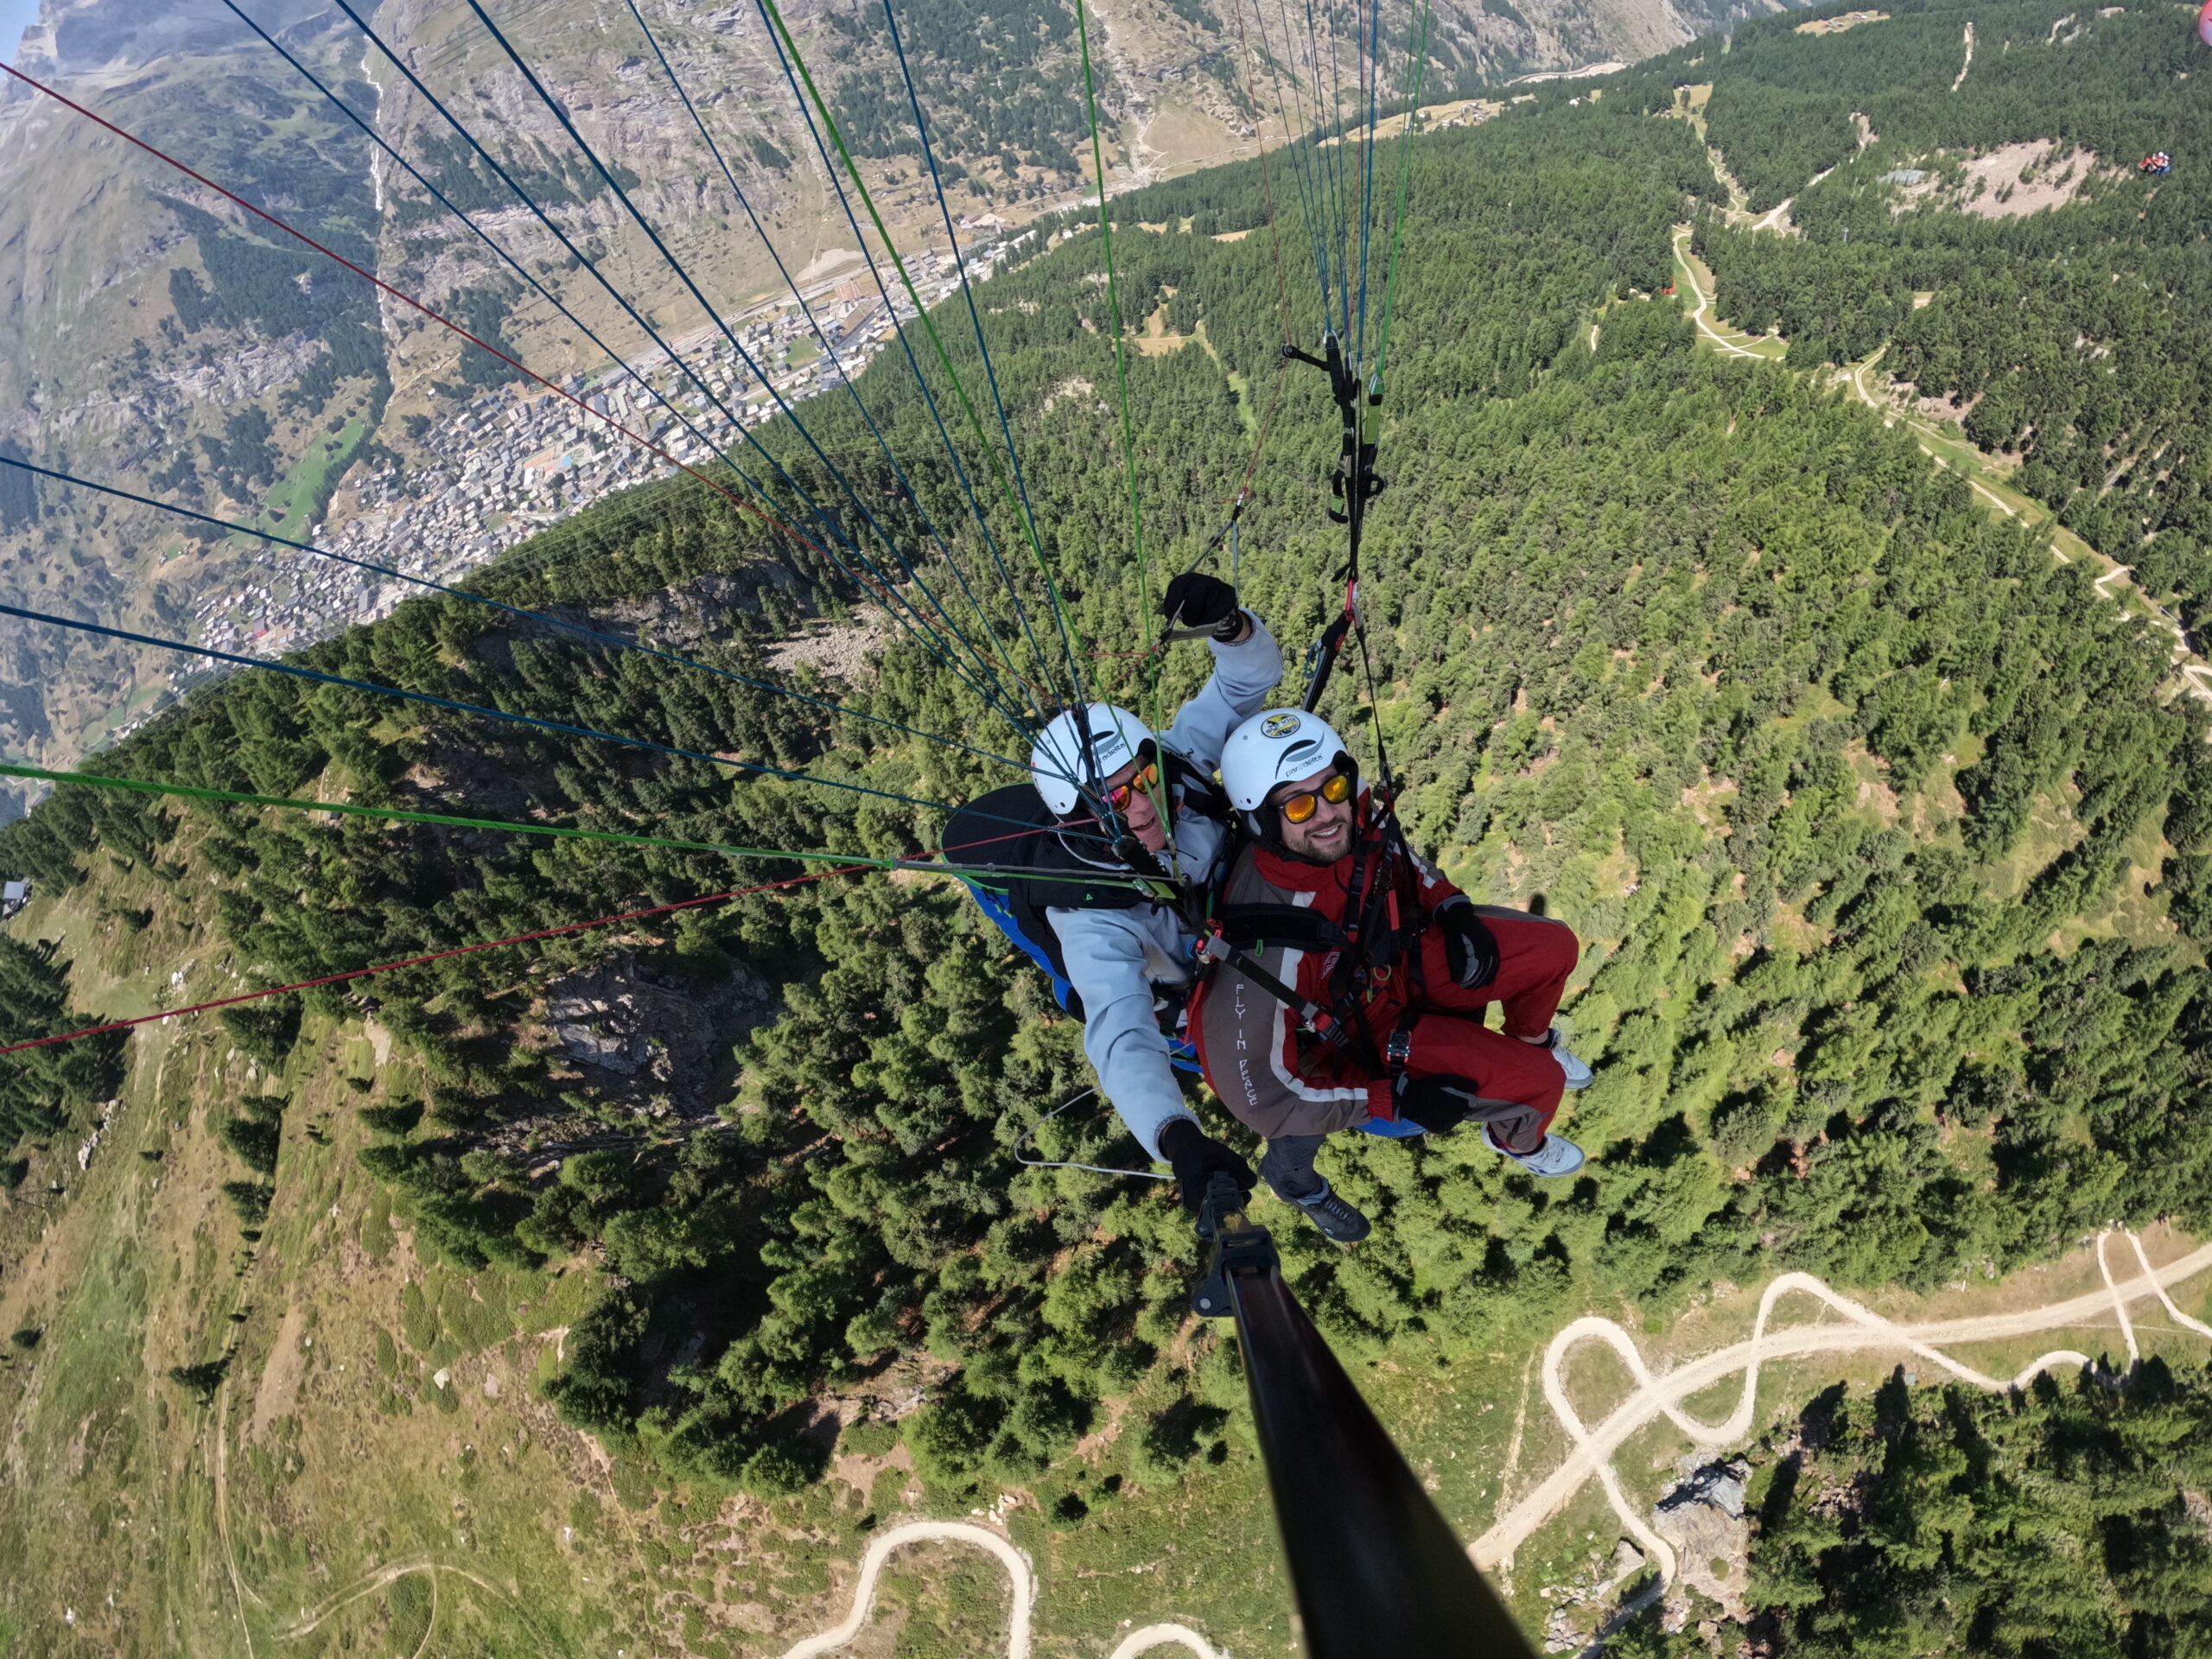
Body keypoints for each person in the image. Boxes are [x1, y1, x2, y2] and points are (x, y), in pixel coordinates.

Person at [940, 573, 1279, 1215]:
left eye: (1141, 778)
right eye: (1112, 804)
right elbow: (1121, 1036)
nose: (1142, 804)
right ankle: (1295, 1166)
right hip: (1190, 992)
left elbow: (1243, 684)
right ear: (1076, 823)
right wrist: (1177, 1140)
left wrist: (1231, 629)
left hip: (1242, 928)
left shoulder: (1176, 765)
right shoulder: (1089, 916)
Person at [1189, 708, 1591, 1243]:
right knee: (1542, 1086)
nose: (1328, 812)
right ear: (1262, 820)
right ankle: (1517, 1139)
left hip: (1399, 959)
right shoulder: (1262, 951)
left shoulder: (1346, 818)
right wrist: (1389, 1101)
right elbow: (1266, 1097)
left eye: (1334, 788)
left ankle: (1533, 1039)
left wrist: (1450, 906)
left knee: (1554, 947)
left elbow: (1396, 851)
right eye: (1300, 804)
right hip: (1367, 1034)